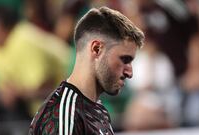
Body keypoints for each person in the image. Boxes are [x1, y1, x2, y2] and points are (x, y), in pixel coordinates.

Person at [28, 6, 144, 135]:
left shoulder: (97, 110)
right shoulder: (64, 116)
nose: (130, 73)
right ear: (96, 49)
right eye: (124, 59)